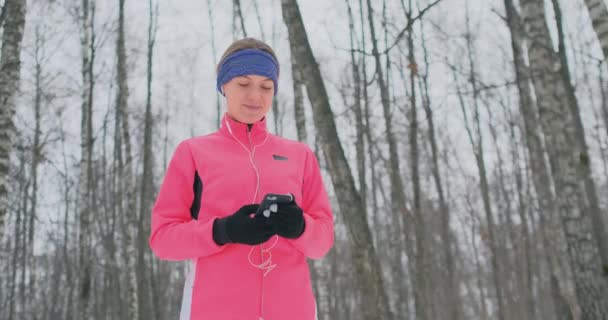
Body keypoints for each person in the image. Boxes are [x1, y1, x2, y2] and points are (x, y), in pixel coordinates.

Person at [149, 37, 335, 320]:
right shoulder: (194, 153)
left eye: (266, 86)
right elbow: (162, 239)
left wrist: (300, 227)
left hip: (291, 310)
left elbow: (322, 241)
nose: (255, 96)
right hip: (213, 310)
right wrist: (223, 231)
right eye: (244, 84)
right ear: (224, 85)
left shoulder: (300, 156)